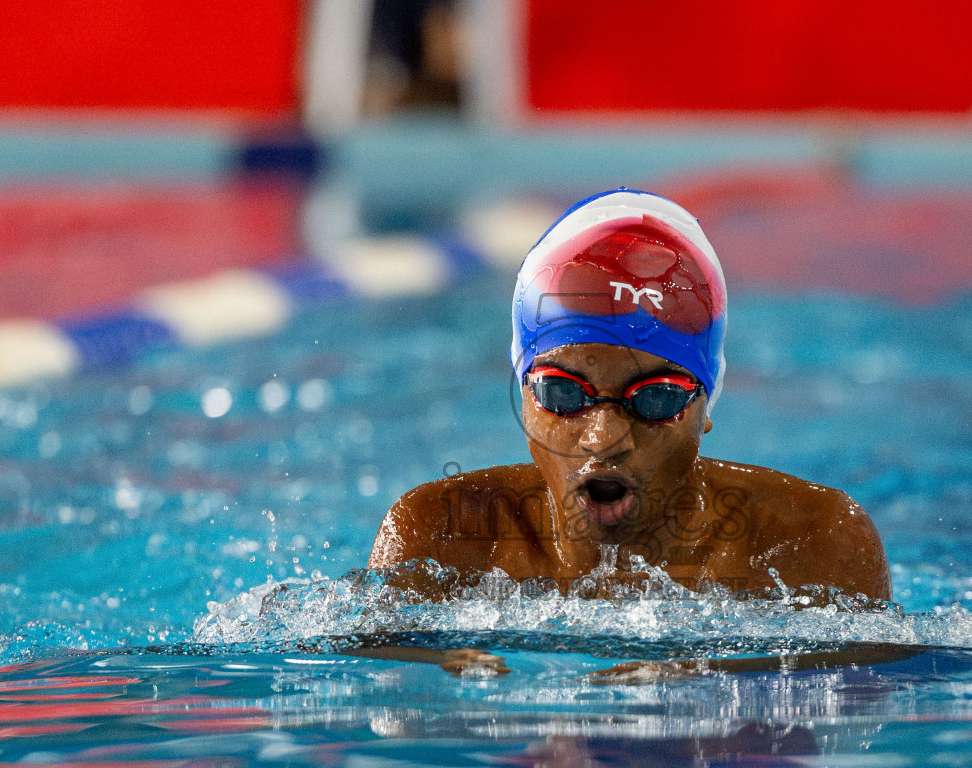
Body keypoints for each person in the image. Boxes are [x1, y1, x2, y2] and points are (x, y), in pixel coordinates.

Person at [369, 189, 890, 600]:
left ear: (705, 406)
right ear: (525, 396)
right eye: (563, 392)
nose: (604, 438)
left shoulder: (813, 546)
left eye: (656, 398)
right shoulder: (436, 542)